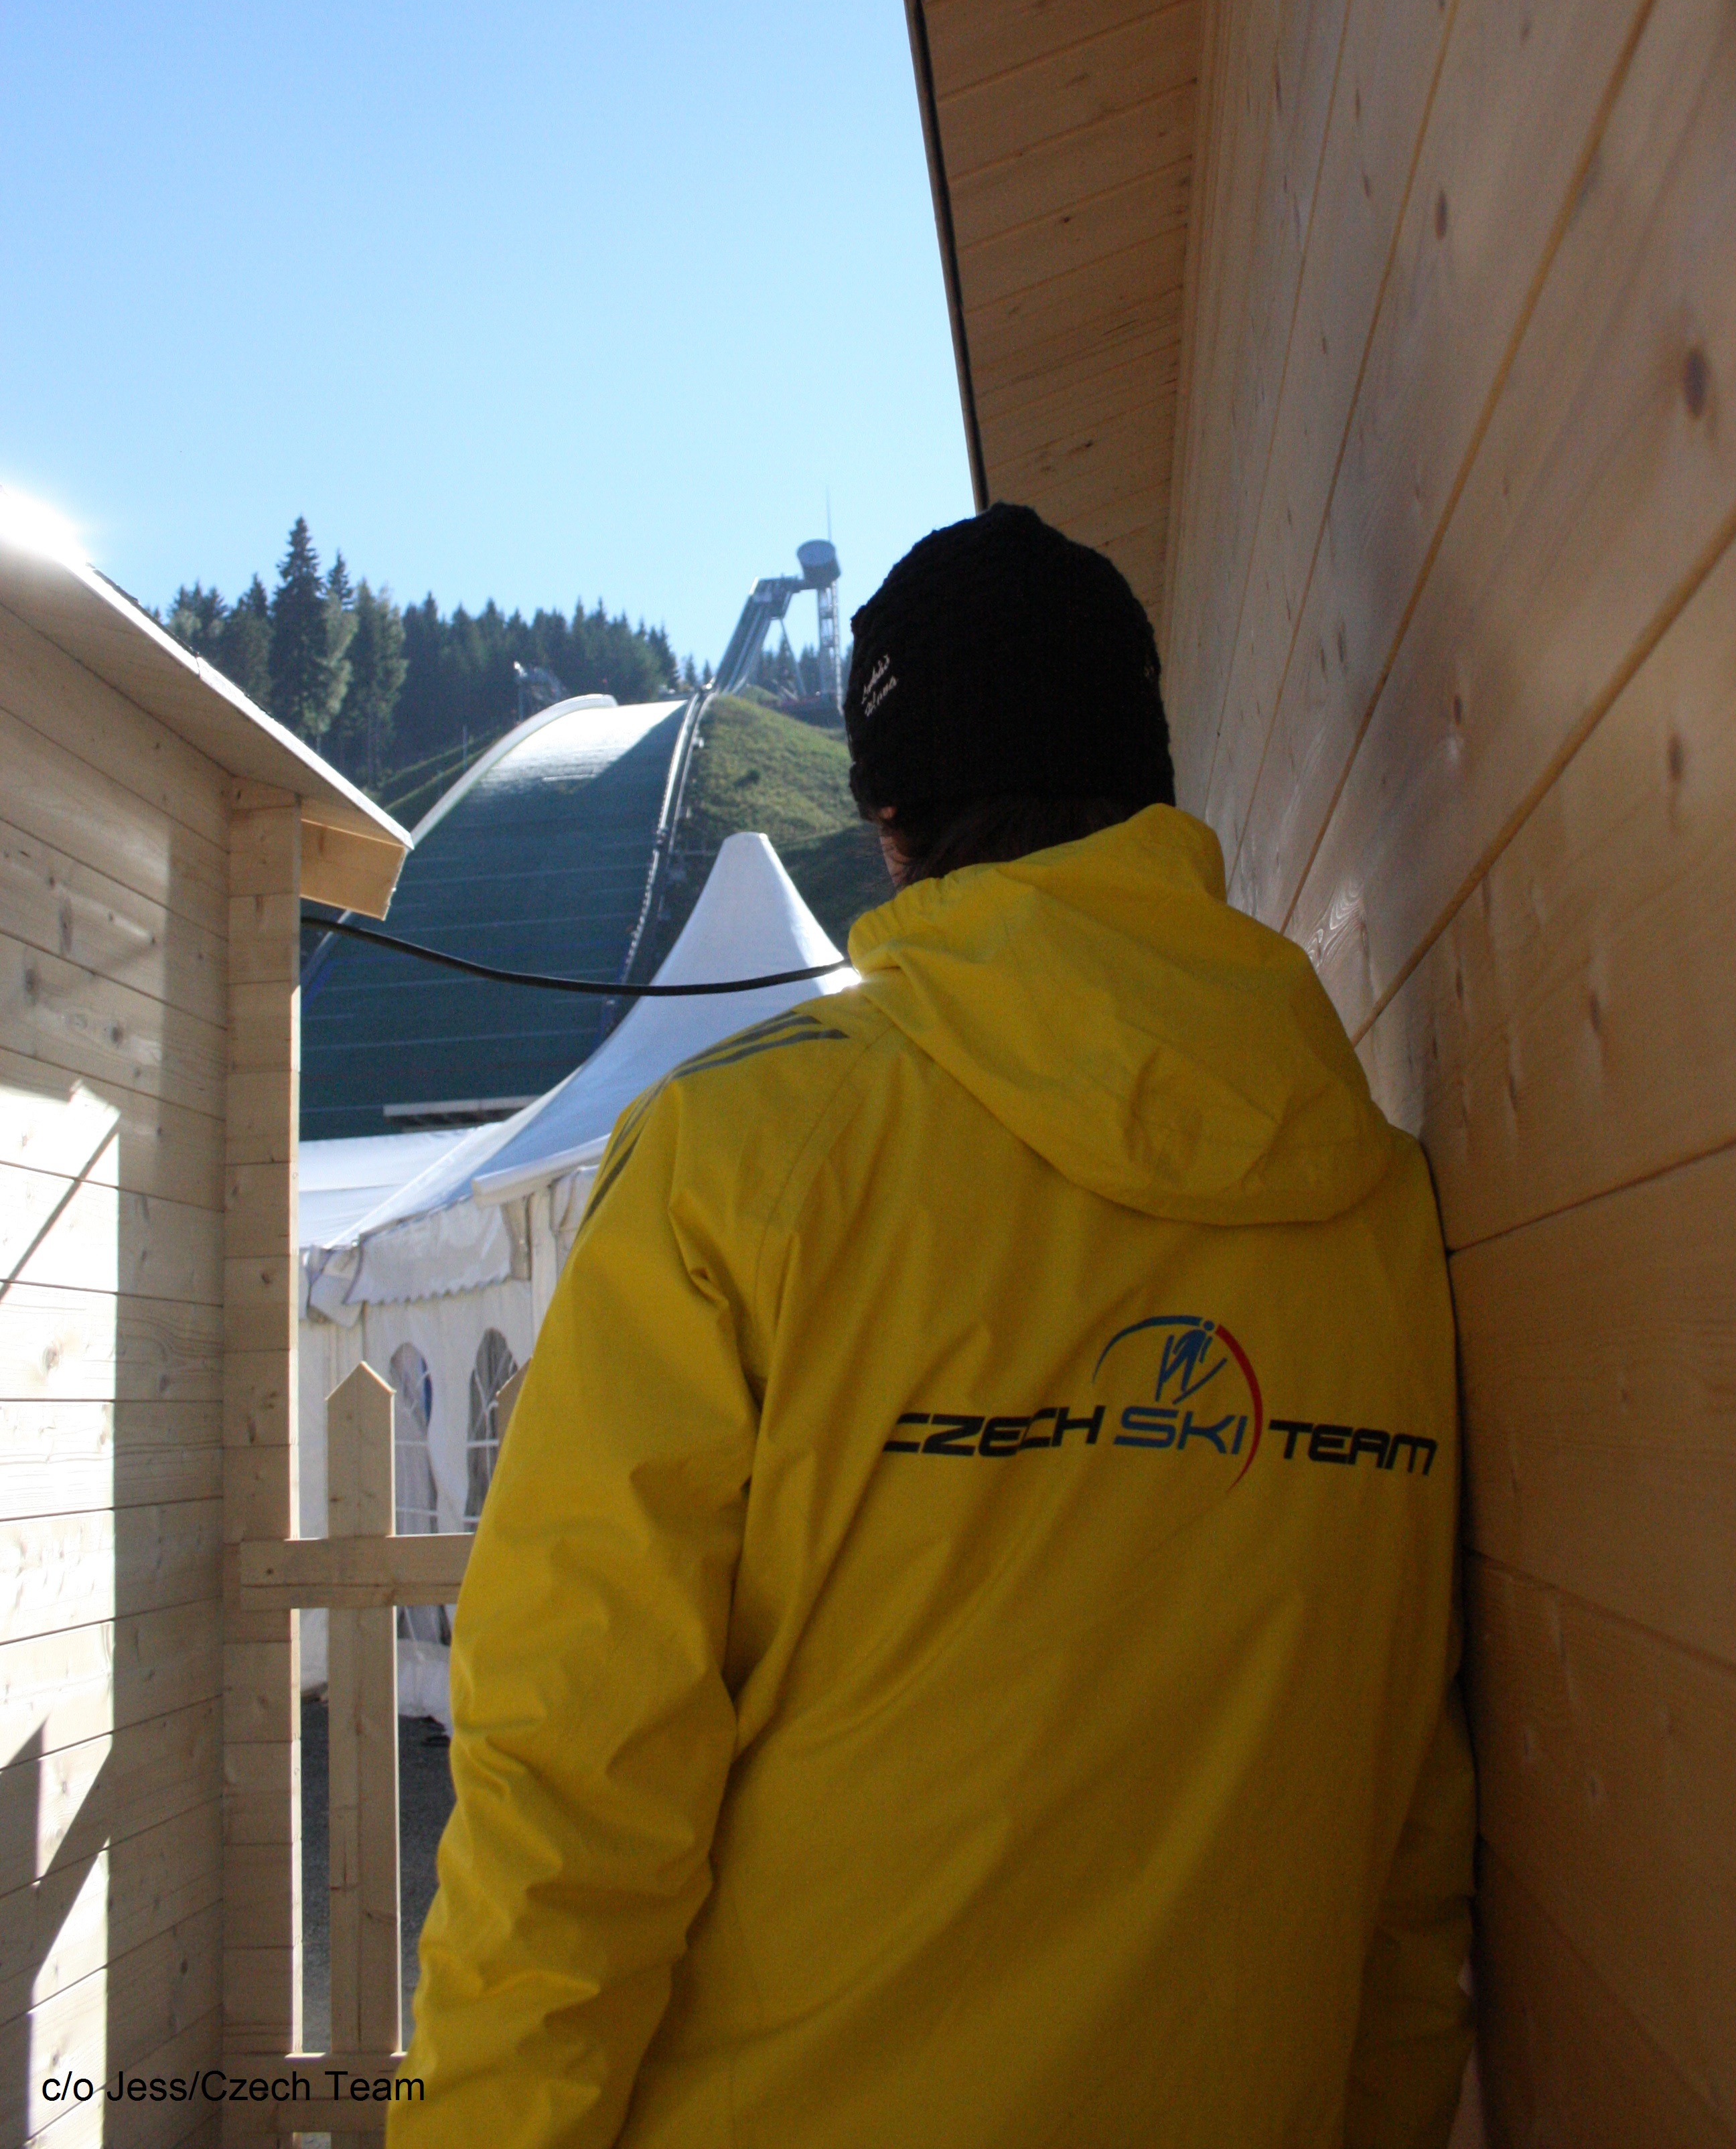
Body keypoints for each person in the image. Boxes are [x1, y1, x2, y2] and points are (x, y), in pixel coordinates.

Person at [393, 503, 1474, 2149]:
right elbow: (1410, 1851)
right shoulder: (1382, 1214)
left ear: (891, 826)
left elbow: (569, 1797)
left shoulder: (732, 1167)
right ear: (1151, 793)